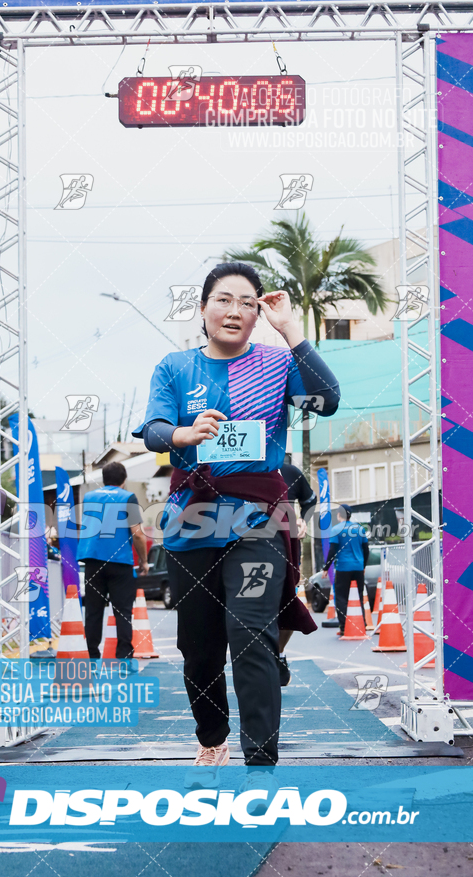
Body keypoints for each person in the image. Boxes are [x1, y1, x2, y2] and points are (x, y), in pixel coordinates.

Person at [132, 261, 340, 793]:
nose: (235, 311)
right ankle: (211, 738)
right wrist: (184, 433)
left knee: (252, 633)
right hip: (193, 521)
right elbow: (153, 429)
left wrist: (291, 329)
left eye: (247, 303)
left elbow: (328, 399)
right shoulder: (175, 367)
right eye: (224, 300)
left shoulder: (275, 364)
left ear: (258, 314)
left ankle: (261, 764)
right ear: (203, 309)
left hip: (259, 523)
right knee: (199, 646)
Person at [76, 461, 149, 659]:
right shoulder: (128, 497)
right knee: (123, 611)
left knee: (93, 611)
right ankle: (124, 654)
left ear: (103, 479)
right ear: (124, 480)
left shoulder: (89, 497)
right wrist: (143, 560)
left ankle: (92, 653)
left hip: (93, 560)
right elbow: (138, 534)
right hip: (120, 562)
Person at [276, 454, 317, 686]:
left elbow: (310, 500)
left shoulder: (290, 471)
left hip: (288, 544)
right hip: (247, 543)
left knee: (288, 600)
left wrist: (302, 519)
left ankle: (279, 654)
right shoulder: (237, 468)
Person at [321, 503, 369, 633]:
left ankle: (344, 627)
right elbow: (366, 550)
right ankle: (362, 624)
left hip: (343, 568)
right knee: (358, 596)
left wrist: (326, 568)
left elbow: (332, 551)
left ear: (339, 514)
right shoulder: (360, 529)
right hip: (358, 568)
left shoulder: (336, 529)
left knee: (341, 597)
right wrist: (363, 566)